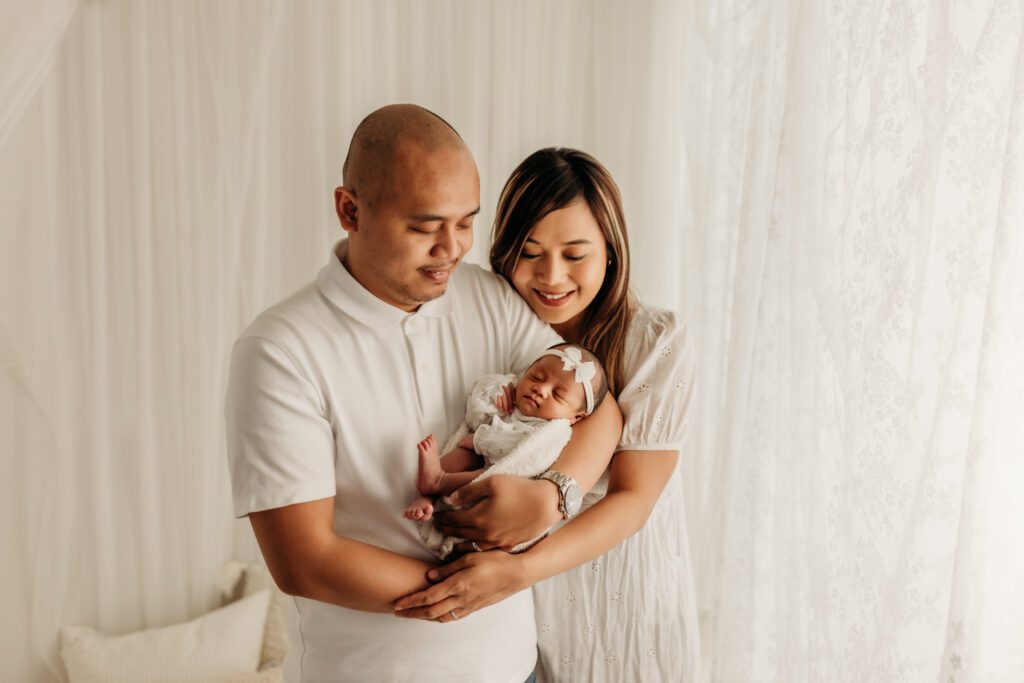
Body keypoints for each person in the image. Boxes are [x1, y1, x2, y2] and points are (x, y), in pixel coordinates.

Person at [224, 109, 622, 683]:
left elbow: (597, 406)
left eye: (467, 223)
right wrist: (482, 583)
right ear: (350, 211)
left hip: (518, 667)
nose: (453, 248)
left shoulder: (485, 297)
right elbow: (304, 561)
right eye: (424, 226)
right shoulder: (278, 350)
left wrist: (554, 497)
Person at [393, 148, 699, 682]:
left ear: (611, 249)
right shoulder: (501, 328)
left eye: (575, 254)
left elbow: (634, 499)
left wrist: (520, 568)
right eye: (530, 253)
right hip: (521, 613)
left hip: (618, 591)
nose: (551, 276)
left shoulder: (653, 340)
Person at [406, 344, 609, 558]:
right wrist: (497, 390)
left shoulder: (550, 432)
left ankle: (438, 482)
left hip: (503, 481)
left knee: (484, 475)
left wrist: (481, 439)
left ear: (574, 417)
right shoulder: (511, 396)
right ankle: (427, 496)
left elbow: (515, 452)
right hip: (480, 452)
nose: (541, 389)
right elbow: (475, 410)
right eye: (536, 377)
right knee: (462, 454)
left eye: (557, 395)